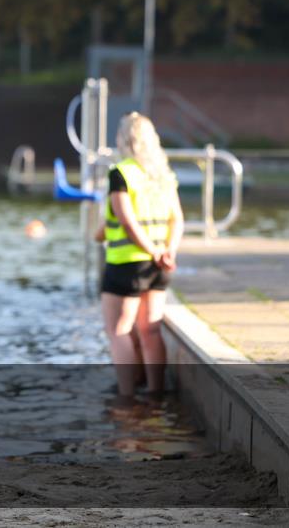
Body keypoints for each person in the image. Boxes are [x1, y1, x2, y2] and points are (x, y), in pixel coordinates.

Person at [98, 112, 183, 398]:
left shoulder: (121, 172)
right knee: (151, 331)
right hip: (159, 266)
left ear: (123, 139)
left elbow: (126, 220)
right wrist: (167, 251)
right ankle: (156, 392)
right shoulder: (163, 175)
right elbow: (177, 220)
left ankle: (126, 396)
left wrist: (152, 250)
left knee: (118, 330)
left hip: (127, 264)